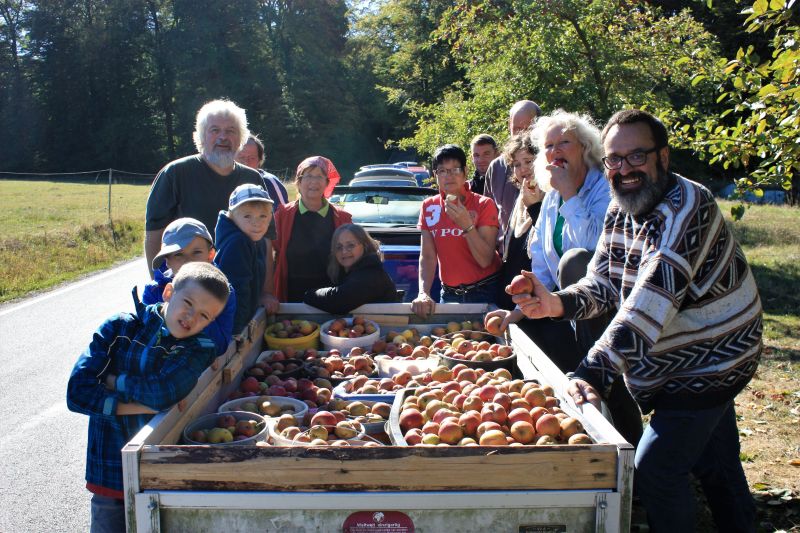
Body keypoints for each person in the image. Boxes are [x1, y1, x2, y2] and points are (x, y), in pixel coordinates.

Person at [512, 109, 762, 533]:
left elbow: (650, 299)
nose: (624, 169)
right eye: (614, 159)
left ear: (662, 157)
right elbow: (605, 279)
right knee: (716, 465)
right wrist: (555, 303)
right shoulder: (622, 205)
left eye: (636, 157)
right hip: (674, 358)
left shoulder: (687, 207)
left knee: (657, 472)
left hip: (713, 358)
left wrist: (593, 370)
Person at [487, 110, 641, 447]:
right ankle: (581, 437)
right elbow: (541, 265)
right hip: (565, 308)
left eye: (564, 143)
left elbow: (594, 256)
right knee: (544, 350)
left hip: (606, 309)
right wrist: (517, 312)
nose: (555, 151)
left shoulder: (604, 191)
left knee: (605, 381)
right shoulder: (553, 196)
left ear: (584, 147)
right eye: (549, 146)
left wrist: (571, 192)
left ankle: (629, 453)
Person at [67, 262, 229, 533]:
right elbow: (77, 393)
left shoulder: (199, 348)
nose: (191, 317)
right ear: (168, 292)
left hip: (162, 474)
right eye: (187, 302)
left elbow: (164, 391)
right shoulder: (119, 328)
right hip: (110, 470)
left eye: (204, 316)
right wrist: (136, 406)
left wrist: (113, 380)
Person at [144, 99, 265, 278]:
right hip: (189, 285)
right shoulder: (175, 174)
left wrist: (266, 290)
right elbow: (155, 234)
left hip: (242, 281)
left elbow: (265, 239)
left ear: (241, 138)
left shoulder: (252, 178)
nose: (223, 137)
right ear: (201, 137)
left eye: (230, 131)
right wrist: (159, 283)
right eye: (214, 130)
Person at [411, 144, 502, 316]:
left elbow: (485, 260)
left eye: (455, 169)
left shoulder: (483, 204)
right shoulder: (429, 206)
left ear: (465, 172)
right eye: (442, 171)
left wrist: (466, 225)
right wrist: (423, 292)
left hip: (485, 291)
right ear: (435, 175)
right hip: (449, 294)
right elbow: (428, 256)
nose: (449, 176)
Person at [143, 217, 236, 355]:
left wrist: (202, 311)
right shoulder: (154, 291)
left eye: (196, 252)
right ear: (167, 261)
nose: (189, 261)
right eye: (179, 254)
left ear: (210, 255)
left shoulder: (223, 293)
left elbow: (220, 345)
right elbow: (144, 335)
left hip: (196, 364)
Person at [272, 156, 353, 302]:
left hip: (332, 299)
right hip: (291, 298)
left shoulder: (342, 218)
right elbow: (268, 254)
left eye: (319, 177)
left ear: (327, 183)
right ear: (299, 182)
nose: (314, 182)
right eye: (308, 176)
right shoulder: (283, 215)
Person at [214, 184, 274, 333]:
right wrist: (237, 330)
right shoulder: (238, 243)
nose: (256, 222)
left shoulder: (252, 238)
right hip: (233, 323)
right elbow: (237, 289)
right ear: (232, 217)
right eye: (247, 216)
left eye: (263, 216)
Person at [484, 100, 542, 255]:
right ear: (509, 126)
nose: (521, 135)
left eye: (527, 129)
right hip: (503, 257)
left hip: (538, 258)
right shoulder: (496, 168)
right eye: (516, 129)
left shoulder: (548, 166)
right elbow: (488, 218)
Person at [303, 224, 397, 314]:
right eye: (339, 247)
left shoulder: (371, 273)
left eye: (350, 245)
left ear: (365, 245)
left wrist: (308, 294)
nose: (344, 251)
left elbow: (338, 301)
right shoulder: (346, 271)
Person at [235, 134, 289, 205]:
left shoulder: (269, 182)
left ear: (260, 160)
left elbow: (283, 213)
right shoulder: (225, 181)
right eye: (241, 157)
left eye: (252, 158)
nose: (246, 162)